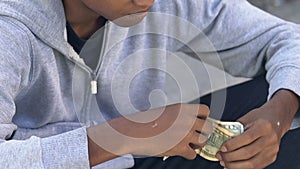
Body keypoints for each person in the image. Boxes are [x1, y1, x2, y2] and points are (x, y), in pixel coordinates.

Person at [0, 0, 299, 169]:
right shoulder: (9, 30)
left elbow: (288, 40)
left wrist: (279, 113)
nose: (148, 1)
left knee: (279, 104)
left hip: (140, 156)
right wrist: (121, 135)